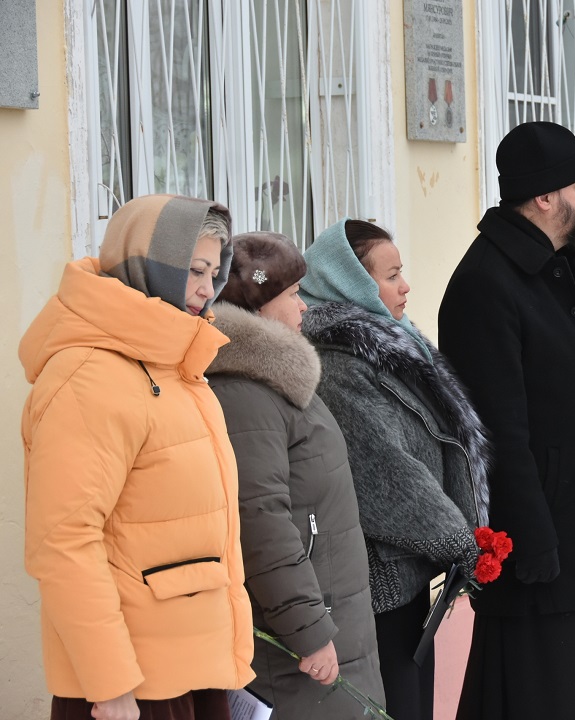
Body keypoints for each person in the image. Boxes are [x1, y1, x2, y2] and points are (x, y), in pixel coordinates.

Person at [438, 121, 575, 720]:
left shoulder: (556, 265)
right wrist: (531, 540)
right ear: (542, 196)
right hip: (547, 559)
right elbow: (495, 431)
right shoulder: (486, 282)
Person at [19, 194, 254, 720]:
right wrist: (110, 682)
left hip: (190, 670)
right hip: (132, 689)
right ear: (145, 265)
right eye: (193, 269)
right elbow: (64, 541)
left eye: (214, 271)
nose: (205, 287)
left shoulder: (178, 369)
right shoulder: (89, 375)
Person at [297, 218, 491, 720]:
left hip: (410, 572)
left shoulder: (394, 345)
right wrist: (459, 542)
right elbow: (387, 477)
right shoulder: (339, 366)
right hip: (380, 578)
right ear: (351, 283)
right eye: (391, 275)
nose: (405, 285)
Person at [206, 232, 385, 718]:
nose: (304, 307)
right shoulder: (243, 394)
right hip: (302, 645)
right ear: (257, 305)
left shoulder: (277, 381)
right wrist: (309, 631)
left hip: (330, 621)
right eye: (291, 295)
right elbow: (261, 522)